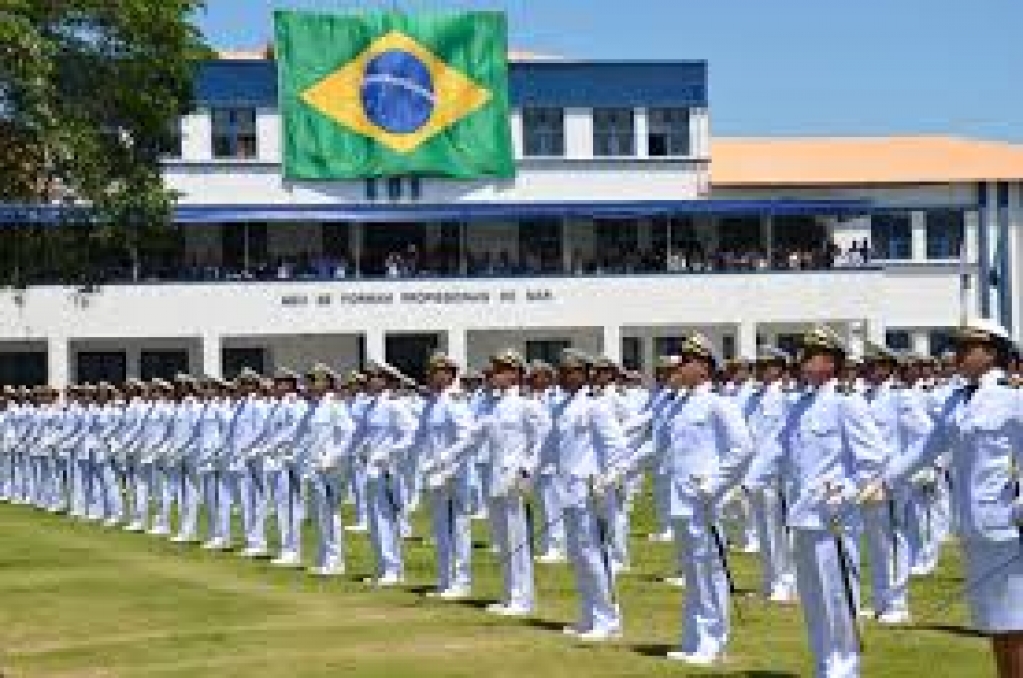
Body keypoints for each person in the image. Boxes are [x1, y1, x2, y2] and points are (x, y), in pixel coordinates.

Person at [862, 318, 1023, 678]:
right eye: (959, 347)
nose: (959, 354)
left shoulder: (1013, 397)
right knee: (995, 622)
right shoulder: (957, 399)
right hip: (972, 524)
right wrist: (886, 480)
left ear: (992, 353)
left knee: (1016, 624)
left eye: (969, 348)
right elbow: (927, 445)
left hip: (1007, 527)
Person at [747, 325, 887, 678]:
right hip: (804, 516)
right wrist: (746, 484)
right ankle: (825, 664)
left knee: (837, 597)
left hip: (834, 519)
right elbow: (776, 450)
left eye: (812, 356)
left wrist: (846, 493)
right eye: (804, 356)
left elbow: (873, 457)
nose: (804, 362)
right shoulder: (800, 406)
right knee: (812, 600)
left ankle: (845, 667)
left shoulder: (846, 402)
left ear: (831, 362)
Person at [605, 335, 753, 665]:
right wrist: (622, 470)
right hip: (680, 499)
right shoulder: (678, 405)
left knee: (709, 573)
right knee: (692, 572)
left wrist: (715, 484)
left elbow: (742, 448)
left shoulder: (718, 403)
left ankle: (713, 642)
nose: (679, 367)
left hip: (703, 500)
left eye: (686, 362)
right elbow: (657, 447)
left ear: (703, 367)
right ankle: (693, 640)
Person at [552, 348, 628, 642]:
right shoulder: (562, 408)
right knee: (579, 556)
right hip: (568, 492)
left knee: (596, 555)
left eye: (571, 372)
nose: (564, 376)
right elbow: (550, 447)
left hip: (590, 492)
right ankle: (587, 615)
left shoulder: (595, 406)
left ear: (584, 375)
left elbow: (617, 448)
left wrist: (607, 479)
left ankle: (608, 619)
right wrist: (527, 472)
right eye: (563, 371)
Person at [859, 343, 933, 624]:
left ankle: (898, 604)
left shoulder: (901, 397)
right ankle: (881, 600)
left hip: (891, 482)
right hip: (868, 482)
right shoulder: (865, 397)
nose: (867, 369)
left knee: (893, 540)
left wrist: (907, 472)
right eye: (867, 365)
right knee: (876, 543)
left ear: (887, 367)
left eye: (873, 365)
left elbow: (925, 435)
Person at [349, 361, 417, 587]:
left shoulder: (394, 405)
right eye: (369, 377)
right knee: (375, 521)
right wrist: (355, 452)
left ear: (385, 380)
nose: (369, 380)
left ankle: (394, 568)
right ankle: (381, 567)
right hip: (371, 470)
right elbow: (360, 436)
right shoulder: (370, 406)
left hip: (388, 469)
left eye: (374, 377)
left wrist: (389, 454)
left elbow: (410, 435)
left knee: (388, 519)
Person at [416, 353, 478, 599]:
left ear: (450, 374)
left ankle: (461, 581)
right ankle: (445, 580)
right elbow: (425, 440)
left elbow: (467, 439)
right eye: (432, 372)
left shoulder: (456, 401)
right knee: (441, 528)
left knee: (459, 528)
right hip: (437, 474)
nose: (434, 376)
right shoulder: (433, 402)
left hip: (455, 474)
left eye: (439, 372)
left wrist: (447, 467)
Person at [744, 347, 798, 603]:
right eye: (760, 366)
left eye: (768, 367)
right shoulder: (753, 398)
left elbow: (785, 440)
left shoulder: (788, 397)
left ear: (778, 369)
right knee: (763, 530)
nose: (762, 372)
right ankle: (769, 579)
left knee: (778, 530)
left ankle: (785, 581)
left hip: (777, 474)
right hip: (755, 473)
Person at [299, 364, 354, 576]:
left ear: (327, 383)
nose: (311, 385)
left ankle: (335, 560)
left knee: (330, 514)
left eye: (315, 381)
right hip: (314, 467)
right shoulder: (314, 406)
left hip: (329, 468)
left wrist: (333, 457)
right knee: (318, 514)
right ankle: (323, 557)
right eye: (310, 381)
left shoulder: (335, 405)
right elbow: (310, 439)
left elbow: (348, 434)